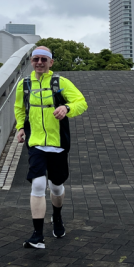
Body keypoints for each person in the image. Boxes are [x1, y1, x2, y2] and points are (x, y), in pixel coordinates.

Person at [14, 46, 87, 249]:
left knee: (56, 186)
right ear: (31, 61)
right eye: (36, 59)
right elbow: (19, 108)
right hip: (36, 143)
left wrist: (67, 107)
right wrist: (21, 127)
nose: (39, 62)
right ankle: (37, 235)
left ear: (51, 62)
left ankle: (57, 216)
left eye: (43, 59)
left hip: (58, 144)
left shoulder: (60, 83)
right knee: (37, 184)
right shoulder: (24, 85)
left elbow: (81, 101)